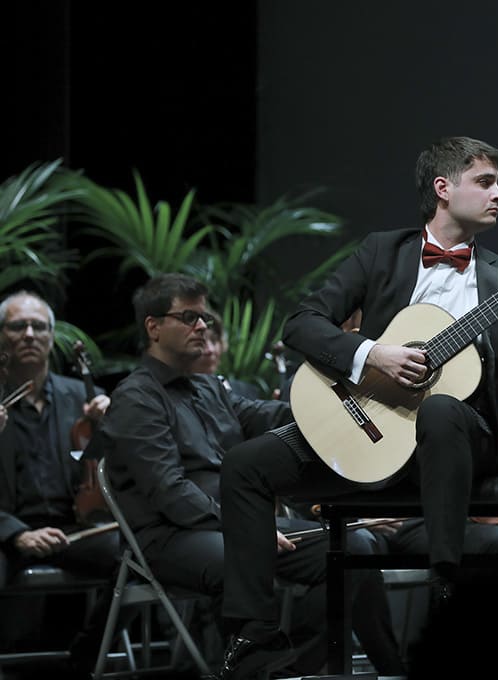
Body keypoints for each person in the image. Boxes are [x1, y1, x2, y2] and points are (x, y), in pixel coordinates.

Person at [218, 135, 498, 677]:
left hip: (458, 446)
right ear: (443, 188)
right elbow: (302, 323)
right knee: (246, 465)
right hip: (374, 431)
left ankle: (445, 588)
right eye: (485, 182)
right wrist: (373, 354)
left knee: (441, 410)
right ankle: (253, 635)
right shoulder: (381, 252)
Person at [97, 273, 403, 678]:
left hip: (233, 526)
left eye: (204, 318)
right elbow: (169, 491)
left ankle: (305, 669)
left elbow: (278, 416)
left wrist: (342, 394)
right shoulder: (135, 397)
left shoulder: (209, 388)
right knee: (238, 562)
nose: (202, 326)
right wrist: (244, 527)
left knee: (355, 547)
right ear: (153, 327)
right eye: (188, 317)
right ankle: (260, 669)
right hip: (169, 535)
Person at [0, 291, 118, 652]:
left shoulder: (82, 398)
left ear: (52, 337)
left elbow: (121, 468)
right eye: (18, 326)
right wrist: (17, 534)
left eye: (39, 326)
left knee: (138, 559)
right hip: (7, 533)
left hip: (73, 528)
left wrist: (113, 426)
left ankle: (86, 656)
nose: (29, 334)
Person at [192, 308, 262, 399]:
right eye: (201, 342)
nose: (210, 350)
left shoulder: (245, 392)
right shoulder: (177, 396)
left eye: (214, 340)